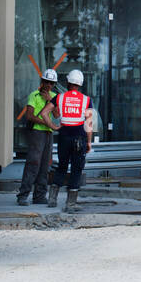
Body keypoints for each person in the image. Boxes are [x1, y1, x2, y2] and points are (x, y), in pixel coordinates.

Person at [48, 69, 94, 212]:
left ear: (68, 82)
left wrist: (54, 126)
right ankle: (70, 204)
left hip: (63, 137)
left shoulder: (59, 98)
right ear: (80, 84)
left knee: (62, 166)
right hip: (79, 138)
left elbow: (44, 112)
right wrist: (89, 142)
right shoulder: (87, 100)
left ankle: (52, 199)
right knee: (76, 169)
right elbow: (89, 124)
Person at [16, 69, 60, 206]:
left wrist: (49, 101)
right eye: (46, 82)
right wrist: (47, 122)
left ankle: (39, 196)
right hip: (37, 133)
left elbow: (57, 115)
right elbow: (29, 116)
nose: (48, 85)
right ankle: (23, 195)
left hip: (48, 134)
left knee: (45, 165)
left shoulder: (54, 96)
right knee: (33, 163)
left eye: (51, 83)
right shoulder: (34, 95)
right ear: (42, 82)